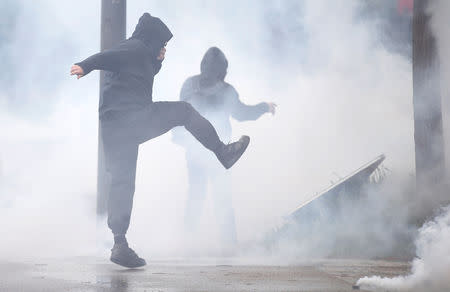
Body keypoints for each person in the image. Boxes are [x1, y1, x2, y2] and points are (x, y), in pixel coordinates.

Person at [70, 13, 250, 268]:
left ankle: (119, 244)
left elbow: (139, 72)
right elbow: (106, 57)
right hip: (134, 117)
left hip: (114, 128)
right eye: (162, 44)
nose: (164, 48)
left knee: (123, 181)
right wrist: (85, 66)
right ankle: (223, 152)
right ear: (151, 39)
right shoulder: (134, 47)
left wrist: (157, 61)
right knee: (185, 112)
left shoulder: (140, 54)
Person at [173, 47, 276, 253]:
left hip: (194, 151)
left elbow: (178, 114)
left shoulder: (189, 85)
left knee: (196, 195)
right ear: (223, 69)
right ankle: (229, 244)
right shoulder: (226, 90)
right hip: (221, 152)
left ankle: (186, 243)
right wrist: (264, 107)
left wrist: (182, 141)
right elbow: (243, 114)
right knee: (223, 198)